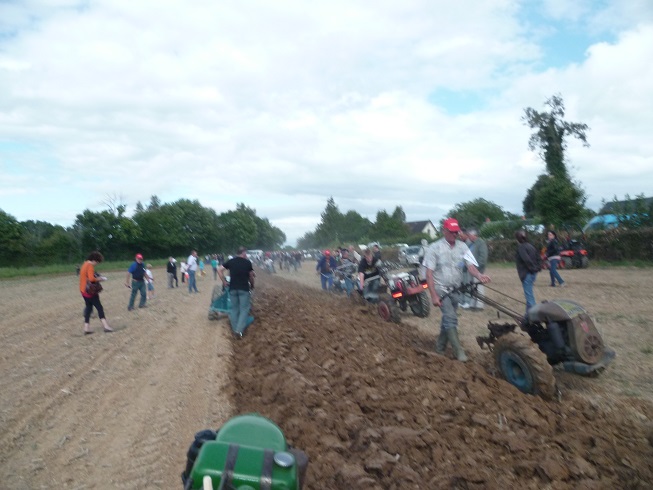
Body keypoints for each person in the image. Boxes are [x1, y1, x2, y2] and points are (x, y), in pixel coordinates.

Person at [424, 218, 491, 362]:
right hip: (440, 288)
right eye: (452, 232)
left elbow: (470, 266)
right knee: (450, 318)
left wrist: (479, 275)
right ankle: (459, 352)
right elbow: (428, 274)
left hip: (455, 288)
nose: (455, 235)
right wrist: (434, 296)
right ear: (445, 231)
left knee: (448, 318)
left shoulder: (463, 247)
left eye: (457, 232)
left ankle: (440, 347)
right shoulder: (434, 248)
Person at [218, 246, 255, 338]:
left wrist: (224, 282)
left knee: (234, 309)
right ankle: (238, 331)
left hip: (233, 289)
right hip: (244, 289)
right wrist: (252, 285)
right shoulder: (247, 262)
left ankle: (235, 330)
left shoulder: (231, 261)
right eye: (245, 253)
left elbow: (219, 270)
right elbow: (251, 276)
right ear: (243, 253)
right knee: (244, 309)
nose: (246, 255)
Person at [79, 251, 113, 334]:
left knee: (89, 308)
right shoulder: (90, 265)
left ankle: (86, 327)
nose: (97, 264)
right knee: (99, 308)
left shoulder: (84, 264)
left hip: (83, 290)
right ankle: (106, 326)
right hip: (90, 292)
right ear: (95, 260)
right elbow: (91, 279)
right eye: (97, 262)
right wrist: (101, 278)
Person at [460, 228, 488, 310]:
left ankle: (479, 305)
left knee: (479, 287)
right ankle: (473, 304)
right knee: (473, 287)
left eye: (469, 235)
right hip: (471, 269)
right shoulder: (472, 243)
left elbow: (483, 257)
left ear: (474, 235)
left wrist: (476, 267)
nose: (468, 237)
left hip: (478, 269)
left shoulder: (481, 243)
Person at [515, 230, 541, 315]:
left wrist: (533, 268)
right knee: (528, 295)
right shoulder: (531, 246)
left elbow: (526, 260)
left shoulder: (521, 247)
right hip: (532, 274)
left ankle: (535, 315)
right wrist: (537, 268)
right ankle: (527, 315)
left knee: (529, 297)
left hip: (527, 274)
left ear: (518, 238)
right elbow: (538, 258)